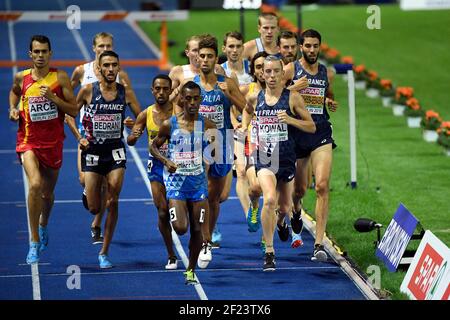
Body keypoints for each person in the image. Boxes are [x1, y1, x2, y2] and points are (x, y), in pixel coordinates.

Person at [240, 55, 315, 271]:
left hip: (287, 159)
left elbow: (311, 127)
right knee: (270, 199)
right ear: (261, 74)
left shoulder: (293, 98)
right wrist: (245, 129)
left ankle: (281, 223)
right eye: (267, 72)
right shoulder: (256, 97)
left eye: (276, 72)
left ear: (283, 74)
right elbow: (246, 110)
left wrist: (290, 120)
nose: (271, 76)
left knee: (284, 207)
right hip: (265, 158)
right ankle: (269, 251)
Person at [67, 32, 141, 245]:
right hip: (88, 138)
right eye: (101, 46)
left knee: (112, 189)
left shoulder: (122, 81)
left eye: (108, 45)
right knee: (88, 187)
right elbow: (69, 101)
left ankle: (97, 225)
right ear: (94, 49)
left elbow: (139, 115)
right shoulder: (83, 74)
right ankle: (91, 198)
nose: (104, 48)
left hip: (114, 144)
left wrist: (134, 127)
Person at [9, 35, 77, 264]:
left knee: (47, 195)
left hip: (53, 144)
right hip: (28, 141)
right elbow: (14, 92)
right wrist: (12, 108)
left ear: (50, 53)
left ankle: (43, 225)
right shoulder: (23, 76)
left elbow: (74, 110)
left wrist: (53, 98)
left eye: (44, 51)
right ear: (30, 54)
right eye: (36, 52)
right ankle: (34, 240)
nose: (40, 55)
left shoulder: (60, 78)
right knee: (35, 184)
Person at [150, 81, 216, 284]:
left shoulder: (207, 125)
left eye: (196, 98)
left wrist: (206, 164)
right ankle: (182, 212)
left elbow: (214, 152)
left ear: (201, 100)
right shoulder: (170, 124)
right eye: (188, 99)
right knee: (180, 228)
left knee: (198, 230)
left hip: (197, 186)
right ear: (182, 100)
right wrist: (165, 161)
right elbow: (153, 147)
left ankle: (190, 270)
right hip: (176, 185)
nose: (193, 103)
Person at [284, 29, 338, 261]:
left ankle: (318, 244)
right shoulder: (290, 70)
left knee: (322, 186)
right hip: (297, 134)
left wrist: (329, 101)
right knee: (299, 190)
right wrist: (294, 88)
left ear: (320, 47)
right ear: (301, 47)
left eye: (315, 46)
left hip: (320, 133)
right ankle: (296, 211)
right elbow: (275, 97)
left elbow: (327, 93)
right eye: (307, 46)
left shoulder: (328, 72)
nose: (312, 50)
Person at [76, 50, 134, 268]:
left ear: (119, 68)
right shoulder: (87, 91)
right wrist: (78, 136)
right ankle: (90, 193)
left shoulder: (124, 92)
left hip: (115, 151)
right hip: (92, 152)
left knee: (113, 200)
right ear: (99, 69)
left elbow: (140, 115)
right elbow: (70, 113)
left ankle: (104, 251)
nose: (111, 69)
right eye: (106, 66)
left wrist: (134, 128)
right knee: (94, 207)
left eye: (114, 65)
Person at [194, 35, 246, 254]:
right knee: (204, 192)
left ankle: (209, 230)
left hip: (223, 142)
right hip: (199, 143)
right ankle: (204, 239)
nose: (205, 60)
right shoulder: (191, 86)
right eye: (202, 56)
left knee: (217, 198)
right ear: (197, 58)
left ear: (216, 59)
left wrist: (229, 94)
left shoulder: (227, 82)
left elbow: (246, 108)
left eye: (209, 56)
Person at [127, 74, 178, 269]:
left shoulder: (178, 111)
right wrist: (134, 135)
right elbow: (131, 140)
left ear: (171, 90)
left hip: (178, 165)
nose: (161, 92)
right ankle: (171, 254)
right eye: (158, 88)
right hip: (156, 166)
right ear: (152, 90)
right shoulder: (145, 114)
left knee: (180, 212)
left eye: (165, 88)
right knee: (163, 211)